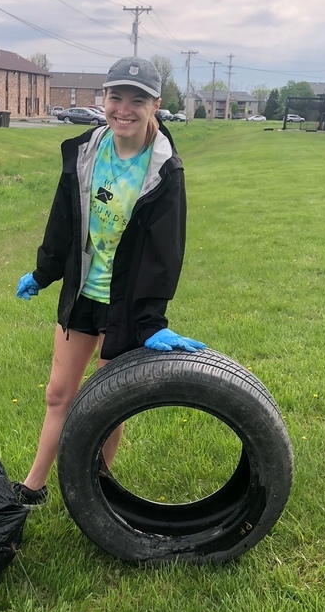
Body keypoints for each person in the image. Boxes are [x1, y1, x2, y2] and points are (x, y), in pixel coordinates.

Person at [11, 56, 206, 507]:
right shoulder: (85, 151)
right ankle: (32, 488)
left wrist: (151, 320)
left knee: (107, 402)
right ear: (103, 99)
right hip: (83, 292)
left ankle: (94, 489)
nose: (124, 108)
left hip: (125, 302)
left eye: (137, 100)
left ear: (155, 104)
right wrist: (44, 272)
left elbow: (165, 254)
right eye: (116, 97)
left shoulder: (164, 170)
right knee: (58, 393)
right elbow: (64, 219)